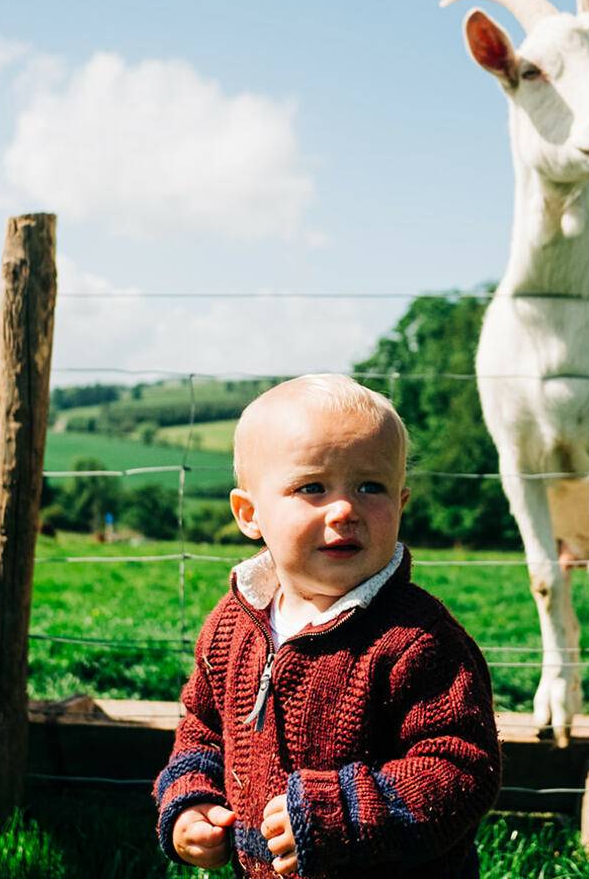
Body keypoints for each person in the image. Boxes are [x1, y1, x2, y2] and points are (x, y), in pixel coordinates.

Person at [154, 374, 500, 877]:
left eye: (370, 487)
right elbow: (201, 729)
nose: (344, 509)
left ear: (400, 505)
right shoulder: (233, 625)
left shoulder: (418, 640)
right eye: (312, 487)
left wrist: (343, 814)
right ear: (249, 514)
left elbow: (461, 768)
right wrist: (189, 801)